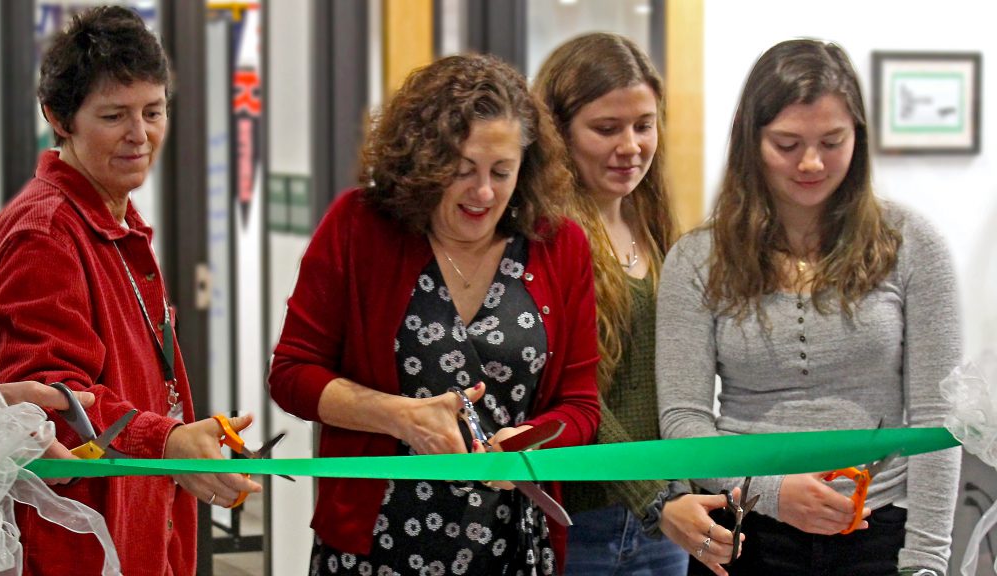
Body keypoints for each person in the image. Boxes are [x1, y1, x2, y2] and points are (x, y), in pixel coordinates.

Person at [268, 53, 600, 575]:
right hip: (376, 545)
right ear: (424, 161)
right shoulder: (360, 228)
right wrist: (398, 415)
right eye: (463, 170)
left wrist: (526, 444)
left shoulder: (560, 247)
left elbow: (581, 404)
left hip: (510, 544)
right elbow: (291, 375)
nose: (484, 192)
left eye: (502, 172)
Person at [656, 38, 962, 576]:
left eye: (832, 141)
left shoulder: (913, 244)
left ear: (859, 141)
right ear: (751, 143)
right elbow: (683, 419)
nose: (812, 162)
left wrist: (928, 560)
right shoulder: (697, 259)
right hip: (745, 534)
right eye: (788, 143)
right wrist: (770, 492)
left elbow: (939, 421)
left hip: (879, 532)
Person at [0, 7, 260, 575]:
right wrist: (167, 440)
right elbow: (47, 404)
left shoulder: (112, 221)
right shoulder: (44, 237)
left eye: (154, 111)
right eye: (114, 115)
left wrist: (172, 440)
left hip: (132, 535)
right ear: (59, 117)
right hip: (73, 549)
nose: (141, 135)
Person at [533, 32, 738, 576]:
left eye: (643, 126)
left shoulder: (653, 224)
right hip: (582, 519)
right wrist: (655, 498)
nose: (631, 146)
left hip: (665, 512)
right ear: (557, 134)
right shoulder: (545, 239)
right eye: (606, 129)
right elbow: (571, 396)